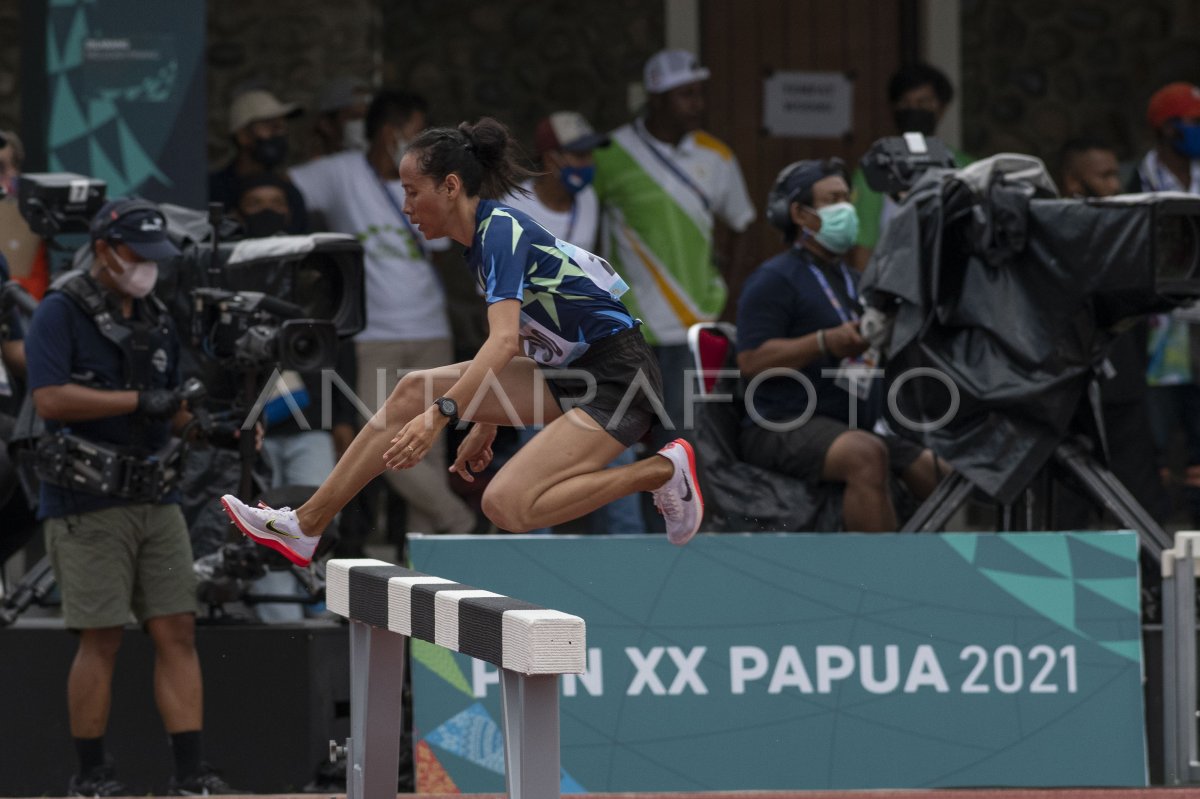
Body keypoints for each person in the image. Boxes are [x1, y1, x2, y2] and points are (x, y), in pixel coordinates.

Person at [221, 117, 702, 564]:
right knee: (412, 389)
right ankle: (306, 525)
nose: (406, 207)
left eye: (412, 192)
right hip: (569, 369)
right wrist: (488, 416)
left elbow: (505, 341)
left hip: (618, 378)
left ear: (450, 187)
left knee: (506, 506)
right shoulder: (481, 243)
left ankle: (660, 471)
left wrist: (446, 414)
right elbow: (538, 330)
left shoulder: (500, 233)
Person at [24, 199, 237, 795]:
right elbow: (50, 399)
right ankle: (91, 774)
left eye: (154, 258)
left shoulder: (156, 314)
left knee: (178, 629)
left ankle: (192, 772)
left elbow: (176, 408)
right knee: (102, 636)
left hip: (156, 497)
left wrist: (212, 425)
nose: (147, 268)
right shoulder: (60, 311)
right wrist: (138, 402)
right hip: (85, 500)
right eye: (137, 256)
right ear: (104, 251)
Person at [289, 89, 476, 537]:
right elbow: (280, 189)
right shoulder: (340, 173)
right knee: (384, 438)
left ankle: (426, 563)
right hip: (374, 335)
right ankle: (458, 520)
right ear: (392, 133)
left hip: (431, 328)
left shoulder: (428, 184)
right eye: (418, 132)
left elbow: (440, 246)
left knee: (429, 447)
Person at [736, 159, 945, 532]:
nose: (846, 209)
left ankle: (937, 567)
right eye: (834, 199)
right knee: (865, 455)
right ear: (800, 213)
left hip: (847, 422)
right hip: (780, 424)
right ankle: (875, 578)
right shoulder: (774, 279)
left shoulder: (855, 280)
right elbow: (751, 361)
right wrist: (823, 342)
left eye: (848, 198)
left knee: (936, 469)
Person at [593, 48, 756, 443]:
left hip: (694, 322)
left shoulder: (716, 156)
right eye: (686, 95)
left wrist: (728, 291)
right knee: (621, 436)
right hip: (628, 320)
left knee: (682, 438)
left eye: (700, 94)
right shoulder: (611, 153)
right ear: (656, 98)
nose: (697, 105)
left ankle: (678, 508)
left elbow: (742, 224)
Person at [504, 111, 644, 535]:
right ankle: (528, 589)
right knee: (532, 473)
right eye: (577, 155)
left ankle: (629, 576)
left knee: (617, 474)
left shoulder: (588, 202)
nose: (586, 165)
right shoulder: (514, 208)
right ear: (552, 157)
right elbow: (501, 300)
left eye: (589, 156)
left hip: (595, 357)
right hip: (540, 358)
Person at [1050, 138, 1170, 527]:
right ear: (1073, 182)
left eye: (1116, 173)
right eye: (1103, 176)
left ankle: (1151, 585)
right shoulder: (1052, 233)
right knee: (1068, 495)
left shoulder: (1130, 229)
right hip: (1069, 389)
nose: (1115, 185)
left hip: (1124, 384)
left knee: (1138, 494)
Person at [1128, 81, 1200, 526]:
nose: (1194, 130)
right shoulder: (1138, 179)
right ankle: (1154, 532)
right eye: (1188, 122)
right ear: (1163, 127)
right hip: (1156, 330)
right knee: (1152, 431)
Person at [849, 62, 972, 270]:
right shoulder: (874, 169)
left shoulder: (967, 167)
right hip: (893, 286)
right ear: (894, 108)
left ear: (941, 108)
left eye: (923, 102)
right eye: (905, 103)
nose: (914, 110)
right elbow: (863, 247)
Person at [209, 88, 309, 234]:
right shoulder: (215, 191)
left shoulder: (289, 191)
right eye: (272, 127)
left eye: (282, 127)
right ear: (243, 135)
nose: (280, 134)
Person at [309, 75, 372, 159]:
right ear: (326, 124)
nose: (365, 124)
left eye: (369, 117)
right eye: (355, 117)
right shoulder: (314, 170)